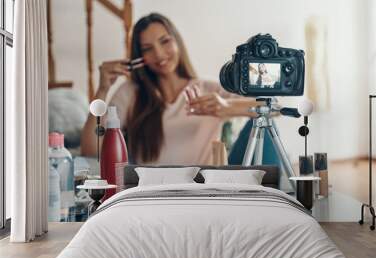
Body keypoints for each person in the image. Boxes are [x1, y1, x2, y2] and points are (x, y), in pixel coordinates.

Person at [81, 13, 262, 165]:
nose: (159, 54)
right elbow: (91, 149)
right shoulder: (130, 93)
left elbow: (271, 107)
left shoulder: (209, 88)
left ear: (177, 42)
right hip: (152, 195)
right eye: (147, 49)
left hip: (203, 190)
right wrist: (103, 89)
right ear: (139, 57)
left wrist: (225, 107)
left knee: (265, 123)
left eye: (165, 41)